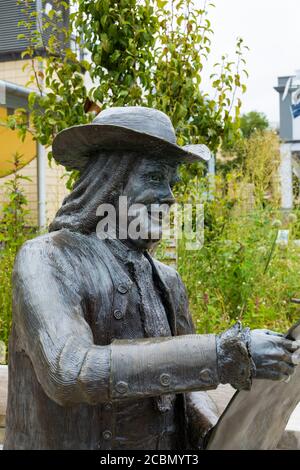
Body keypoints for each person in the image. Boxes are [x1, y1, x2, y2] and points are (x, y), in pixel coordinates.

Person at [4, 107, 298, 450]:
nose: (171, 198)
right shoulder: (47, 259)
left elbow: (187, 391)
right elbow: (69, 371)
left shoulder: (167, 279)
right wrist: (222, 354)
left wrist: (209, 434)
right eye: (155, 178)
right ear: (111, 182)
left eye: (172, 184)